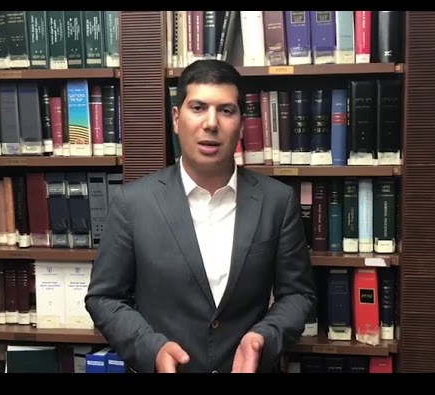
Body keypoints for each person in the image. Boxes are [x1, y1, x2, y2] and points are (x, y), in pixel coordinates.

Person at [85, 59, 316, 373]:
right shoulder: (132, 203)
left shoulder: (277, 201)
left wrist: (264, 337)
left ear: (241, 124)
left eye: (226, 110)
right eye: (198, 108)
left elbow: (298, 294)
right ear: (176, 119)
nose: (211, 123)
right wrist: (151, 349)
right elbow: (104, 298)